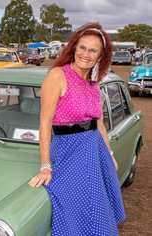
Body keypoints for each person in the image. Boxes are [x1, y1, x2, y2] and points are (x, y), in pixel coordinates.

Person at [28, 22, 125, 235]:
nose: (86, 54)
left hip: (95, 151)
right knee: (75, 211)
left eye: (93, 50)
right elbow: (44, 123)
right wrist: (45, 165)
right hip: (68, 152)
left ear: (100, 56)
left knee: (99, 209)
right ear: (74, 48)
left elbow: (98, 122)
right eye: (82, 47)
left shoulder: (94, 81)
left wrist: (109, 153)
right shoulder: (57, 76)